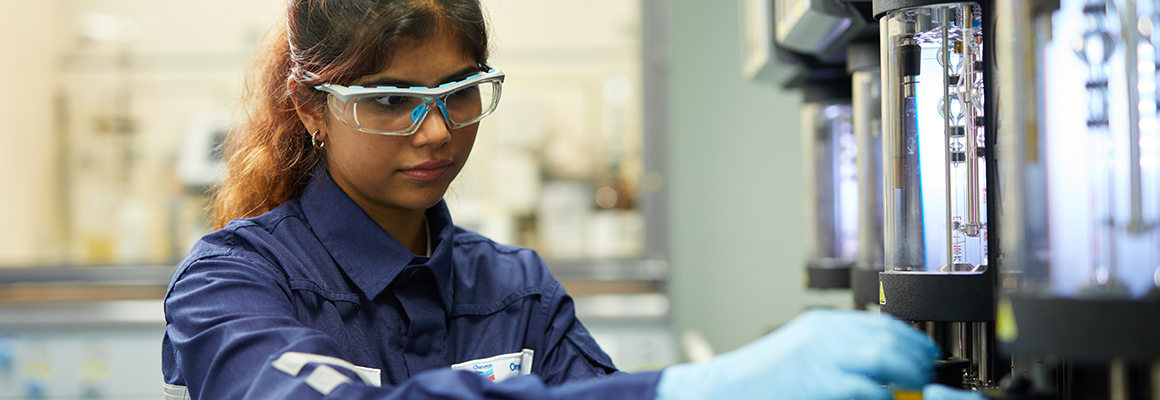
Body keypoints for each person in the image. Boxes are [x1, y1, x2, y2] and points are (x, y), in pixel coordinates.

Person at [161, 1, 983, 399]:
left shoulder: (513, 288)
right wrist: (688, 391)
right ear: (311, 108)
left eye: (459, 91)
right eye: (389, 100)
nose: (435, 131)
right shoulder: (232, 284)